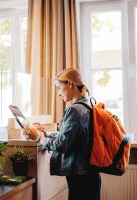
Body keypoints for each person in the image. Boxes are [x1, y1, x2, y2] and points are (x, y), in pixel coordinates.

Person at [24, 68, 101, 200]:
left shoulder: (74, 110)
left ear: (70, 84)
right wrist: (46, 134)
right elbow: (74, 137)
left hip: (80, 179)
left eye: (59, 88)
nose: (59, 93)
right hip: (90, 175)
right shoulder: (89, 104)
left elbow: (63, 144)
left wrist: (39, 138)